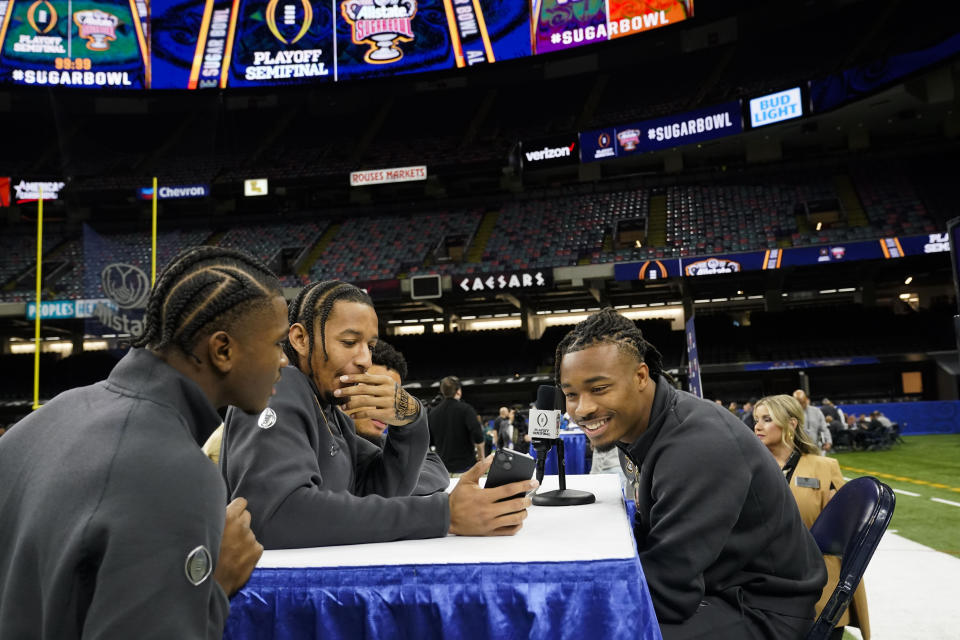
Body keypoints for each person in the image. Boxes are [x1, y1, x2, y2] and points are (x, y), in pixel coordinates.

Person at [0, 246, 287, 638]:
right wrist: (215, 583)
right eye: (277, 343)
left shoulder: (42, 420)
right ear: (223, 350)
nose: (284, 360)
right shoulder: (179, 472)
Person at [556, 309, 825, 639]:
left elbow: (668, 593)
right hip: (719, 585)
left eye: (599, 388)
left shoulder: (698, 446)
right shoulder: (646, 427)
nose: (581, 409)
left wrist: (556, 600)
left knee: (584, 630)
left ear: (641, 377)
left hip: (762, 609)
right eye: (571, 395)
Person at [221, 280, 535, 549]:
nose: (364, 359)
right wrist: (443, 514)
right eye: (349, 342)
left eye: (369, 345)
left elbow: (382, 488)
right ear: (300, 339)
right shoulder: (277, 387)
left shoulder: (332, 411)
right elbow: (278, 515)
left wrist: (410, 421)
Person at [753, 395, 870, 640]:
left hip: (820, 584)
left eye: (766, 419)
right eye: (756, 420)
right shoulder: (748, 467)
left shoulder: (824, 467)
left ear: (791, 424)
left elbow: (843, 532)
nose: (758, 426)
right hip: (764, 585)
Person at [345, 339, 449, 495]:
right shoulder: (323, 443)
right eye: (375, 392)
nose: (386, 407)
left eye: (393, 396)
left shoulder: (388, 443)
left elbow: (437, 468)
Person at [429, 375, 486, 473]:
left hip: (443, 470)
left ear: (443, 391)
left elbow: (430, 441)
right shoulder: (466, 409)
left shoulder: (433, 413)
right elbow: (478, 435)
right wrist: (481, 458)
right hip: (465, 467)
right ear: (458, 391)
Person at [793, 389, 832, 454]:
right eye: (798, 402)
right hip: (797, 450)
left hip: (815, 448)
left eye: (803, 402)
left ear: (806, 400)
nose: (801, 405)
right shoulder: (790, 413)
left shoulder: (816, 411)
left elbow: (824, 428)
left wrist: (828, 441)